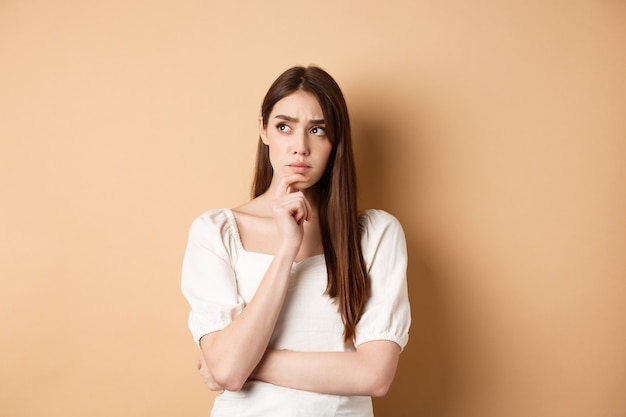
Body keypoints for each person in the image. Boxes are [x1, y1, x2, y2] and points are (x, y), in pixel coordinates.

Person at [181, 65, 411, 416]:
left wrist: (241, 363)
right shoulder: (216, 231)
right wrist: (287, 248)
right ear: (263, 130)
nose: (300, 147)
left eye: (317, 130)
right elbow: (228, 369)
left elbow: (374, 375)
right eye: (284, 127)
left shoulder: (375, 235)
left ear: (336, 142)